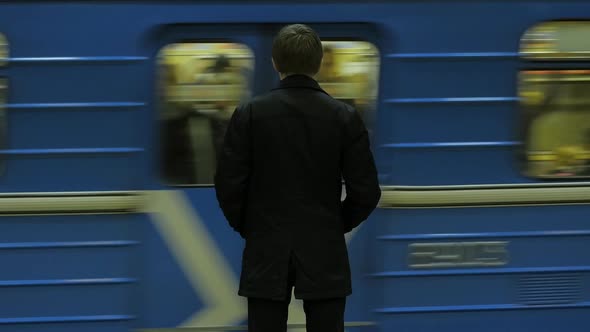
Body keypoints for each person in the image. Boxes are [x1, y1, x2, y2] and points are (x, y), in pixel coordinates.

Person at [214, 24, 381, 332]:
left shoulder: (249, 114)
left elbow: (228, 186)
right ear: (317, 64)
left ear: (275, 63)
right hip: (324, 249)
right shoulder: (344, 116)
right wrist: (334, 224)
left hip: (266, 248)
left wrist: (252, 227)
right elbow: (367, 192)